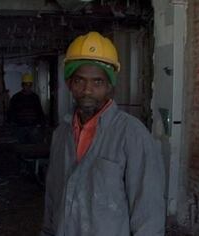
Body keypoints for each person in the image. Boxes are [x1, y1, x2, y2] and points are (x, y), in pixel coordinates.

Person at [41, 31, 165, 236]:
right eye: (79, 81)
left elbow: (148, 213)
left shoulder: (132, 135)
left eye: (97, 82)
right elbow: (53, 196)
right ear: (69, 84)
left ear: (110, 86)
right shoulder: (61, 134)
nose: (87, 90)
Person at [7, 73, 45, 144]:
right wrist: (11, 123)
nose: (28, 87)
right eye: (26, 85)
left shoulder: (35, 97)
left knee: (33, 146)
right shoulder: (16, 98)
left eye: (29, 85)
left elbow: (39, 111)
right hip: (20, 127)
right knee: (21, 146)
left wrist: (42, 124)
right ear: (22, 85)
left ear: (31, 85)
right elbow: (11, 111)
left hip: (33, 126)